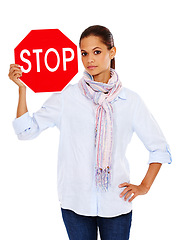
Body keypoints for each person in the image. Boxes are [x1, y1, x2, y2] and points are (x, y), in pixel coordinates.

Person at [8, 25, 172, 240]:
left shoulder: (130, 101)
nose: (89, 60)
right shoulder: (67, 97)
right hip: (75, 202)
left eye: (97, 52)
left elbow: (159, 147)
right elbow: (26, 131)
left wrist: (144, 187)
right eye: (84, 53)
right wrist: (22, 89)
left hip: (116, 203)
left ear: (112, 53)